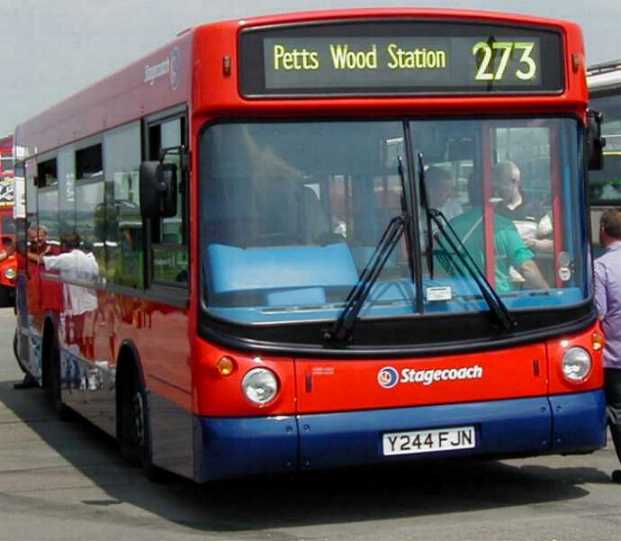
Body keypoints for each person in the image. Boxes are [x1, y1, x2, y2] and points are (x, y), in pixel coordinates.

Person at [443, 176, 548, 293]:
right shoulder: (504, 227)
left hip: (463, 302)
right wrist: (548, 293)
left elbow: (440, 270)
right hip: (500, 301)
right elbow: (527, 268)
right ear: (493, 195)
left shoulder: (451, 226)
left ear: (470, 194)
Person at [593, 209, 621, 482]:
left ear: (603, 229)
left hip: (616, 355)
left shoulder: (600, 267)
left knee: (619, 410)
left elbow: (598, 311)